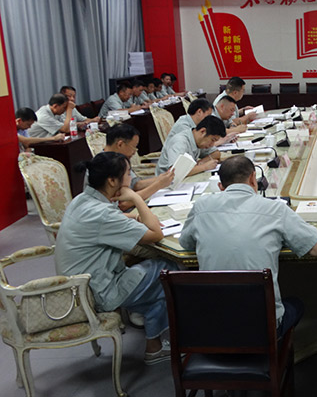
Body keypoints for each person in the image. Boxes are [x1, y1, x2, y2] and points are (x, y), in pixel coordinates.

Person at [180, 155, 317, 336]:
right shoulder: (275, 209)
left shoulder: (201, 206)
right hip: (262, 329)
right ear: (254, 178)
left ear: (221, 187)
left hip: (212, 326)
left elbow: (186, 243)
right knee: (296, 304)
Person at [54, 152, 177, 365]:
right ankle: (160, 340)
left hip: (77, 286)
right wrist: (136, 199)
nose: (131, 178)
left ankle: (154, 344)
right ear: (112, 181)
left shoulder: (82, 200)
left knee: (154, 275)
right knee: (169, 270)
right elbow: (156, 234)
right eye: (128, 173)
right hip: (97, 291)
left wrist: (135, 216)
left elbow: (112, 218)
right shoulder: (102, 214)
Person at [103, 124, 174, 202]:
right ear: (120, 144)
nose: (134, 152)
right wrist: (158, 185)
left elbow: (135, 185)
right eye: (134, 147)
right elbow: (124, 203)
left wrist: (163, 178)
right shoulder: (105, 164)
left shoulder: (118, 159)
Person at [156, 115, 225, 175]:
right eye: (212, 140)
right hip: (166, 183)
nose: (212, 145)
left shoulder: (198, 140)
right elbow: (176, 172)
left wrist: (201, 163)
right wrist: (204, 167)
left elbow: (216, 153)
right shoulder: (180, 141)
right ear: (203, 131)